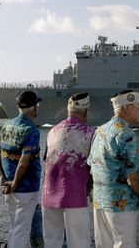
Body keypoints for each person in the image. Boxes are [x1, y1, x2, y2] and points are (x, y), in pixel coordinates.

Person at [87, 90, 139, 248]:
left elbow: (92, 167)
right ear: (127, 107)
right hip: (121, 205)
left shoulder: (100, 131)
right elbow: (132, 178)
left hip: (100, 202)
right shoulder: (127, 134)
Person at [42, 92, 96, 248]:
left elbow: (47, 161)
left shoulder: (52, 131)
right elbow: (95, 165)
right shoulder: (91, 132)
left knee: (51, 242)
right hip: (75, 194)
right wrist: (90, 188)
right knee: (79, 242)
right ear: (86, 111)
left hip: (48, 194)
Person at [0, 90, 42, 248]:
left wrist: (1, 177)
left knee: (15, 226)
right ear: (34, 107)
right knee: (22, 229)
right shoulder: (31, 130)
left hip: (8, 185)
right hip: (26, 187)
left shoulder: (6, 125)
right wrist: (16, 182)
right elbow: (24, 162)